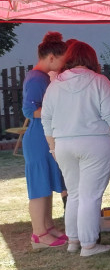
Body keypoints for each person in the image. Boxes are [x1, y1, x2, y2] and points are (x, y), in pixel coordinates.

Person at [40, 40, 110, 257]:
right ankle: (89, 244)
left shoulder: (54, 85)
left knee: (76, 194)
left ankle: (74, 241)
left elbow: (46, 121)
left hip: (63, 144)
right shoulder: (99, 81)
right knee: (90, 195)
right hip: (95, 142)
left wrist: (53, 148)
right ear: (91, 59)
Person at [23, 31, 68, 250]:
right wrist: (55, 109)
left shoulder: (42, 77)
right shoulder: (35, 78)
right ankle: (39, 235)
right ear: (51, 57)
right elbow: (29, 110)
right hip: (37, 139)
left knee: (47, 185)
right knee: (39, 189)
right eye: (62, 61)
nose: (62, 66)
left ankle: (48, 227)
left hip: (45, 137)